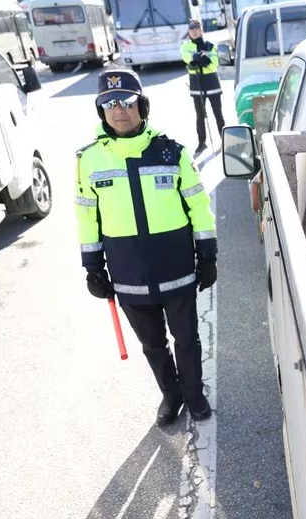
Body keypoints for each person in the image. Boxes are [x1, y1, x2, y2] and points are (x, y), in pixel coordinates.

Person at [75, 68, 218, 426]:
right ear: (101, 111)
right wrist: (92, 268)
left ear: (142, 106)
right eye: (108, 103)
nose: (118, 109)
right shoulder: (88, 160)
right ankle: (171, 396)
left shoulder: (173, 153)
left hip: (176, 267)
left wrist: (208, 255)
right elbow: (86, 216)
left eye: (126, 101)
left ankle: (194, 394)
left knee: (187, 339)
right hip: (128, 273)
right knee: (153, 345)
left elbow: (199, 207)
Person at [180, 19, 225, 157]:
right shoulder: (185, 47)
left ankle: (224, 140)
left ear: (201, 30)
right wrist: (198, 58)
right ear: (189, 32)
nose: (194, 32)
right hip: (196, 84)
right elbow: (187, 59)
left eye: (196, 29)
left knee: (218, 114)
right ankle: (202, 142)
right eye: (191, 29)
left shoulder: (210, 45)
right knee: (200, 116)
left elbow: (214, 64)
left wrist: (200, 61)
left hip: (211, 83)